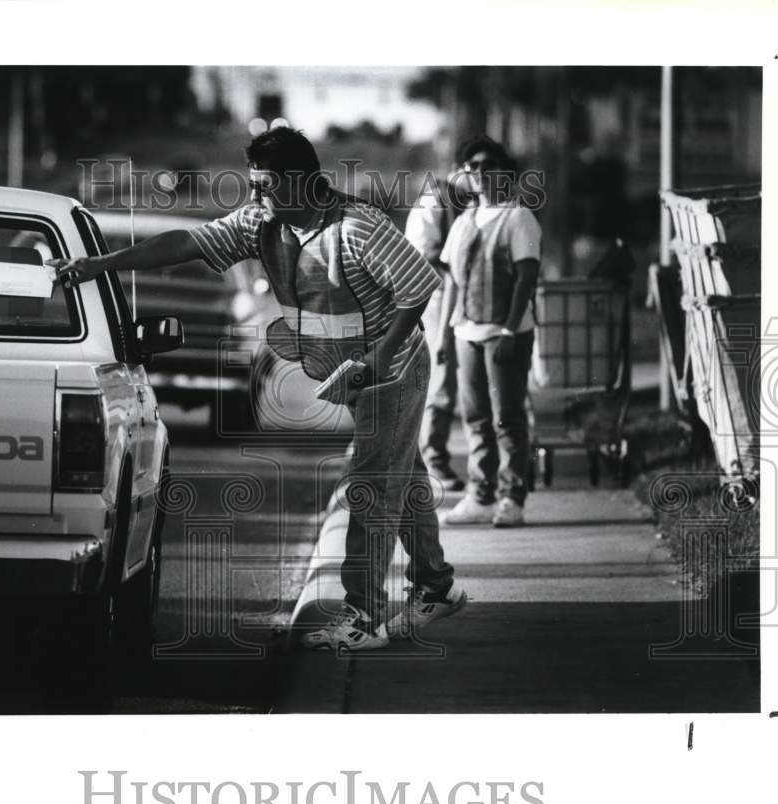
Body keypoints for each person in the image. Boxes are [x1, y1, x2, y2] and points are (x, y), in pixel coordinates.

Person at [50, 127, 468, 651]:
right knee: (400, 479)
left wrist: (378, 360)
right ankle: (437, 587)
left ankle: (363, 617)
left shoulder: (358, 227)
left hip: (393, 370)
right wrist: (98, 266)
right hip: (351, 371)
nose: (255, 196)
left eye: (264, 185)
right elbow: (187, 242)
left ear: (298, 182)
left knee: (370, 487)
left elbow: (419, 287)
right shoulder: (262, 222)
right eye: (251, 184)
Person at [438, 136, 540, 528]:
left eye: (487, 165)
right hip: (467, 332)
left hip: (504, 334)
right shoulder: (464, 222)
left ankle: (512, 497)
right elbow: (452, 283)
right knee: (476, 417)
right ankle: (479, 495)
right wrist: (445, 335)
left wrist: (511, 330)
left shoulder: (519, 218)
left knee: (507, 417)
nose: (479, 173)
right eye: (472, 167)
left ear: (506, 173)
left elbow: (526, 278)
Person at [404, 151, 473, 492]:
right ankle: (434, 458)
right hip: (438, 299)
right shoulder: (436, 200)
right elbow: (419, 255)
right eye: (471, 169)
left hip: (466, 298)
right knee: (441, 381)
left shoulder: (474, 201)